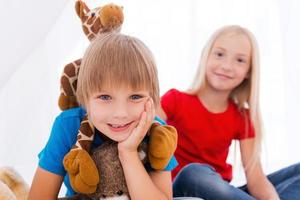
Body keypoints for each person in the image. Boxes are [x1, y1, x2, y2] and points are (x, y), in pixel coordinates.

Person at [28, 33, 178, 200]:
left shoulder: (157, 132)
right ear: (85, 98)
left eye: (135, 97)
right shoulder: (68, 125)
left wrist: (128, 153)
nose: (120, 113)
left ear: (152, 99)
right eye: (105, 97)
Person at [158, 25, 300, 200]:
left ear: (248, 71)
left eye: (240, 60)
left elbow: (256, 179)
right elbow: (145, 137)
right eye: (219, 54)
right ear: (205, 56)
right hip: (183, 187)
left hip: (223, 192)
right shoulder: (174, 100)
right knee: (194, 172)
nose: (226, 66)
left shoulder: (242, 117)